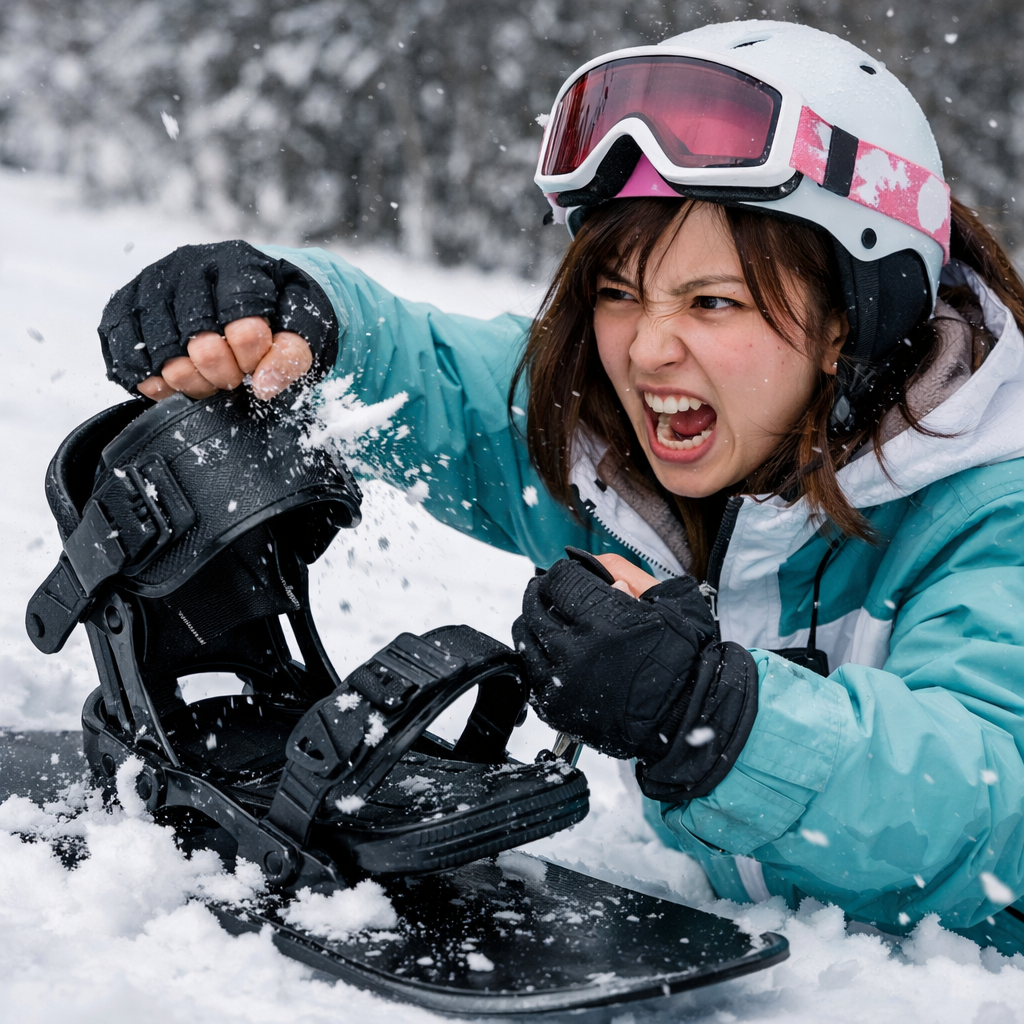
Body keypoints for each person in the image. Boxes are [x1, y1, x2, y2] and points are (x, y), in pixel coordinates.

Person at [97, 21, 1024, 949]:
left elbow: (999, 813)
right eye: (620, 293)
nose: (649, 350)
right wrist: (285, 310)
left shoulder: (993, 502)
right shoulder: (619, 444)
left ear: (848, 324)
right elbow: (436, 381)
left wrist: (712, 714)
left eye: (713, 302)